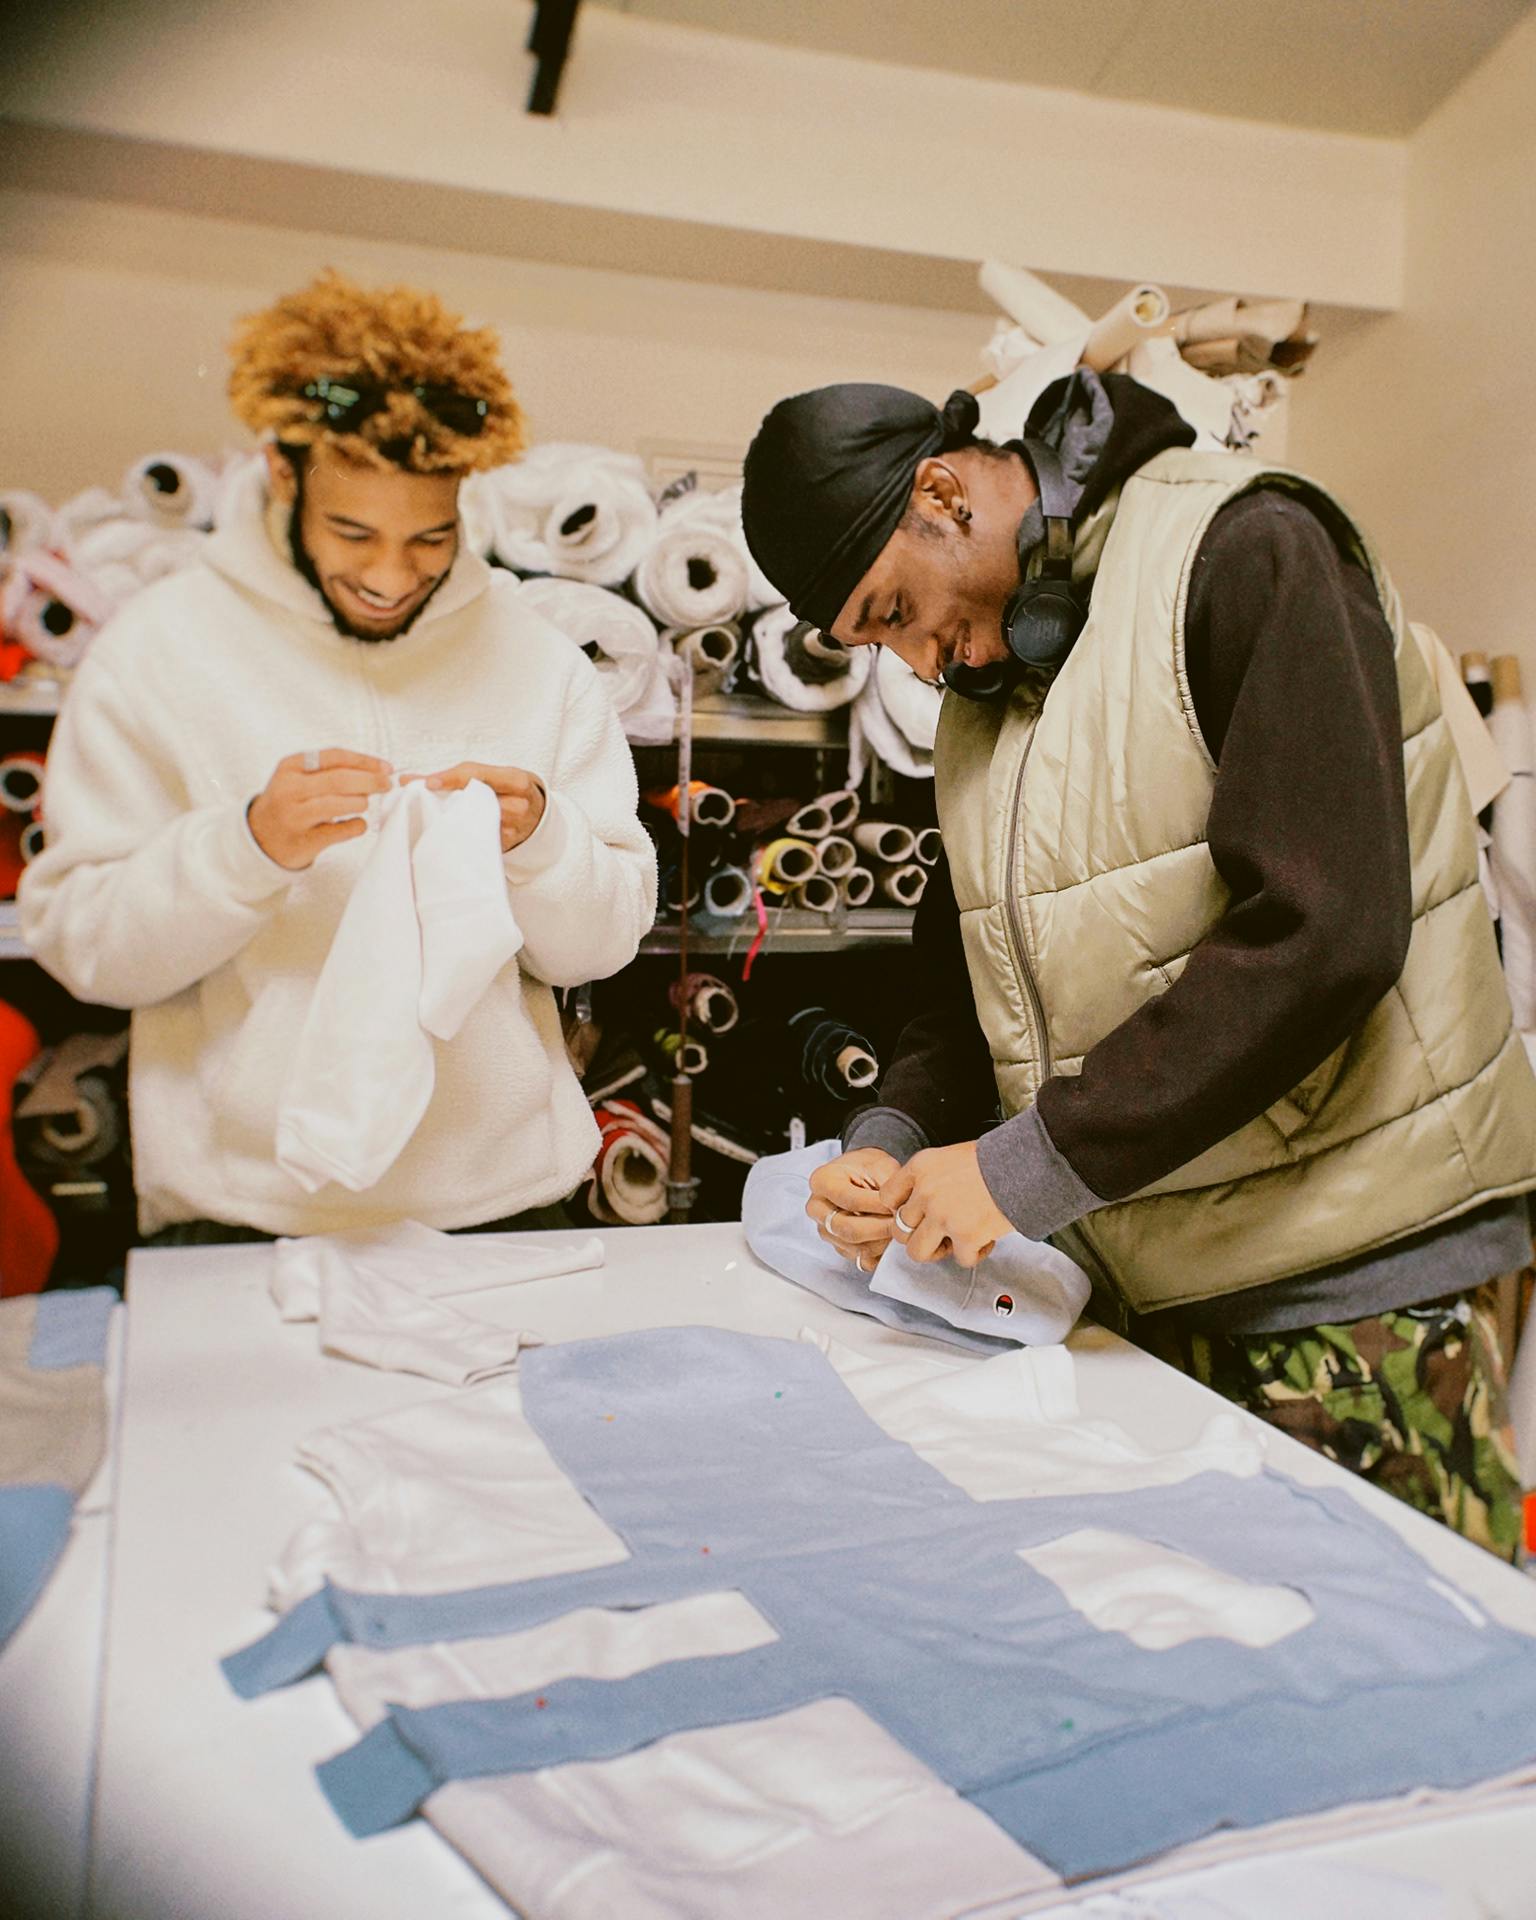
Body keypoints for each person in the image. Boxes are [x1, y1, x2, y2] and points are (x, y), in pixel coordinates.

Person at [740, 368, 1536, 1556]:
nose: (915, 660)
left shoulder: (1244, 549)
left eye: (895, 610)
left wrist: (1024, 1167)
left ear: (942, 493)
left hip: (1350, 1293)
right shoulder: (988, 695)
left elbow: (1325, 933)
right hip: (1147, 1296)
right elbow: (963, 988)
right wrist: (890, 1144)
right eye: (877, 641)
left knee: (1425, 1660)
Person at [21, 271, 655, 1243]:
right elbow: (84, 946)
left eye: (429, 538)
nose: (391, 575)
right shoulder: (159, 652)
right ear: (283, 474)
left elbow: (601, 947)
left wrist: (543, 843)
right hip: (246, 1214)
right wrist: (244, 850)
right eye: (353, 533)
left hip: (505, 1206)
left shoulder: (537, 662)